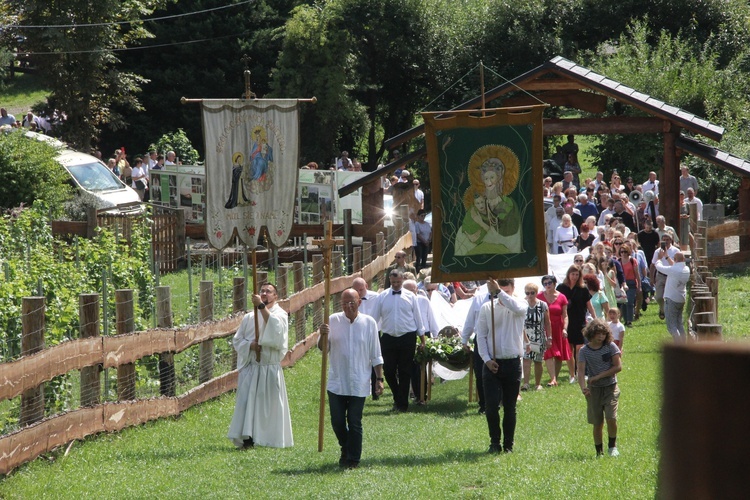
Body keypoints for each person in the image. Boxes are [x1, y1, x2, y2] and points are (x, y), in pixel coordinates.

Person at [319, 288, 384, 469]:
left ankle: (353, 458)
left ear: (359, 302)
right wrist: (322, 335)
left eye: (352, 302)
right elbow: (323, 349)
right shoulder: (332, 320)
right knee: (337, 421)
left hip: (359, 381)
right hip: (337, 381)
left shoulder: (369, 323)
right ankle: (345, 447)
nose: (348, 306)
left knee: (354, 421)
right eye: (344, 303)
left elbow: (375, 354)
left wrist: (379, 379)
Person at [228, 283, 293, 449]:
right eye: (262, 291)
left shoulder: (280, 314)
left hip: (268, 367)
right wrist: (250, 345)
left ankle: (268, 437)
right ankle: (247, 438)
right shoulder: (249, 317)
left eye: (268, 291)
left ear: (275, 296)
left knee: (268, 404)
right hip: (252, 366)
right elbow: (237, 340)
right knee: (247, 402)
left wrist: (261, 306)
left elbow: (276, 331)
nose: (264, 293)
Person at [476, 278, 527, 453]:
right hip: (492, 363)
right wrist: (487, 360)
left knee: (510, 407)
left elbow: (517, 307)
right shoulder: (486, 308)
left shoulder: (519, 305)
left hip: (512, 362)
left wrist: (499, 292)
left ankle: (508, 444)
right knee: (490, 407)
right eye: (499, 288)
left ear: (512, 288)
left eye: (506, 288)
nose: (501, 292)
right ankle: (494, 442)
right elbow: (481, 336)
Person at [371, 270, 425, 412]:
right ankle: (398, 397)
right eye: (393, 282)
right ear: (390, 280)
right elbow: (374, 319)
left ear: (402, 280)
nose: (395, 285)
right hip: (388, 337)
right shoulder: (382, 297)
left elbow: (418, 318)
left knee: (404, 371)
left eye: (398, 282)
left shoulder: (411, 297)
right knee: (388, 370)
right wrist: (369, 334)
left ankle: (402, 404)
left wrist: (422, 339)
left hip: (408, 336)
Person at [578, 318, 622, 457]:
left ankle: (612, 447)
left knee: (611, 417)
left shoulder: (611, 346)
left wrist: (598, 376)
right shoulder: (584, 351)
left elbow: (618, 367)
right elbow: (580, 371)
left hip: (610, 387)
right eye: (598, 333)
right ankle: (599, 452)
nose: (601, 336)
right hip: (594, 391)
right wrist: (583, 387)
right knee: (597, 422)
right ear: (591, 333)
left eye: (604, 333)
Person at [557, 265, 596, 383]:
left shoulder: (583, 289)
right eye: (572, 274)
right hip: (566, 321)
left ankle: (580, 372)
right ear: (568, 274)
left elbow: (589, 305)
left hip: (580, 320)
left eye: (577, 274)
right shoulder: (561, 288)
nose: (574, 276)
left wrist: (595, 318)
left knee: (580, 347)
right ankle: (572, 373)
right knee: (569, 348)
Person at [461, 283, 490, 414]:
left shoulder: (506, 298)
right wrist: (464, 340)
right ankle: (483, 404)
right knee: (480, 372)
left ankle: (499, 400)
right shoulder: (478, 299)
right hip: (481, 339)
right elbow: (470, 320)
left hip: (499, 339)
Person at [538, 275, 569, 387]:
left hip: (558, 327)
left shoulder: (562, 297)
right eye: (545, 283)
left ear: (555, 283)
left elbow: (565, 315)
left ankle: (554, 377)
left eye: (549, 283)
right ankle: (552, 379)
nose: (547, 285)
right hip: (545, 328)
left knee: (558, 354)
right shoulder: (539, 296)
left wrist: (565, 329)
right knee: (549, 352)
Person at [521, 283, 552, 392]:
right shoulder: (522, 304)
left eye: (532, 293)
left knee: (538, 361)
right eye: (527, 293)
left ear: (536, 293)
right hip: (526, 336)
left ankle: (538, 384)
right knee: (526, 359)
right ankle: (526, 383)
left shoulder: (542, 305)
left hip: (539, 336)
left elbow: (547, 323)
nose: (529, 295)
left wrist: (549, 338)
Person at [655, 251, 691, 342]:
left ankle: (678, 344)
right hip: (681, 298)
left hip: (671, 299)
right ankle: (683, 343)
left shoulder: (673, 270)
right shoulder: (686, 268)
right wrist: (667, 257)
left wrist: (659, 259)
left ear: (675, 259)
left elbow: (659, 267)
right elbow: (675, 266)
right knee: (679, 323)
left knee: (672, 325)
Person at [650, 233, 679, 320]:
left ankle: (670, 313)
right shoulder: (657, 251)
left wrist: (666, 256)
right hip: (660, 275)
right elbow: (653, 264)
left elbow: (676, 265)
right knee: (659, 296)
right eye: (664, 240)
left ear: (671, 240)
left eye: (667, 240)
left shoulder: (676, 251)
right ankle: (662, 308)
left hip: (671, 275)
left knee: (670, 297)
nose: (666, 242)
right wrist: (652, 278)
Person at [617, 243, 640, 327]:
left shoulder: (632, 261)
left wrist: (639, 285)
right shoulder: (618, 261)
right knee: (623, 302)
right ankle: (626, 320)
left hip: (631, 283)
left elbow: (637, 274)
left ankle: (629, 320)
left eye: (625, 251)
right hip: (622, 283)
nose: (623, 253)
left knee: (629, 302)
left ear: (628, 252)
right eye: (622, 251)